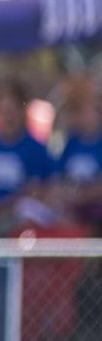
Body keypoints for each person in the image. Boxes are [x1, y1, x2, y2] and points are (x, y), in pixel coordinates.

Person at [0, 79, 57, 236]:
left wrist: (5, 208)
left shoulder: (36, 150)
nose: (9, 118)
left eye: (13, 111)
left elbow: (39, 191)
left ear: (23, 110)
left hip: (17, 222)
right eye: (5, 111)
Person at [56, 75, 102, 233]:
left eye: (78, 109)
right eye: (71, 110)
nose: (74, 117)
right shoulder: (72, 142)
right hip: (73, 213)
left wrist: (81, 196)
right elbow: (60, 179)